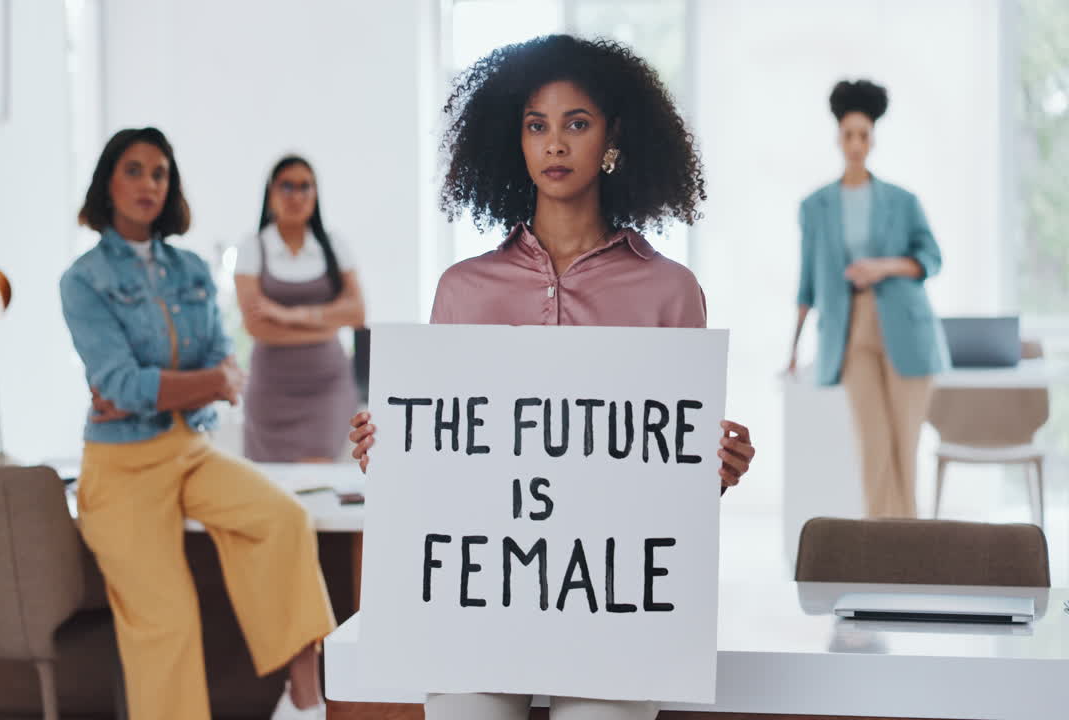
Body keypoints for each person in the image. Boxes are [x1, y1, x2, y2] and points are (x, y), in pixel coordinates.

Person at [348, 36, 757, 720]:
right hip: (479, 607)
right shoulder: (462, 289)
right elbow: (446, 463)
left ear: (613, 137)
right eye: (537, 125)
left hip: (613, 610)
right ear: (515, 140)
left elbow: (668, 476)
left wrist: (715, 466)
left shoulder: (670, 291)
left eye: (577, 123)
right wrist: (388, 452)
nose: (555, 144)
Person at [60, 127, 334, 720]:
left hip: (191, 449)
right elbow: (124, 386)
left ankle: (304, 700)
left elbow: (214, 358)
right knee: (167, 622)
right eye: (133, 170)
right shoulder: (83, 281)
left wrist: (169, 386)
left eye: (160, 173)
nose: (148, 184)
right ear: (108, 182)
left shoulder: (187, 269)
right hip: (121, 469)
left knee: (284, 519)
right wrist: (200, 382)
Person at [787, 80, 944, 519]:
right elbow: (806, 285)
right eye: (849, 135)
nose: (856, 144)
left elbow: (931, 259)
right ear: (838, 138)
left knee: (904, 446)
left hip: (906, 328)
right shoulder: (815, 206)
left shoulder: (903, 201)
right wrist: (794, 350)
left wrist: (883, 267)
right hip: (850, 329)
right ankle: (885, 549)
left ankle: (910, 546)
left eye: (864, 136)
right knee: (873, 446)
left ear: (873, 140)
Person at [235, 156, 365, 462]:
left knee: (317, 477)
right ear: (271, 193)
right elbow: (257, 328)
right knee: (272, 491)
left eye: (305, 187)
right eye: (287, 186)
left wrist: (287, 315)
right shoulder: (253, 247)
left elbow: (357, 313)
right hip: (270, 392)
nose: (297, 196)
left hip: (327, 389)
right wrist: (327, 325)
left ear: (316, 194)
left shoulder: (334, 246)